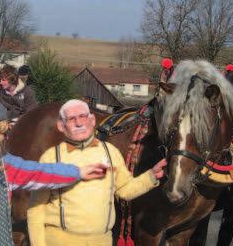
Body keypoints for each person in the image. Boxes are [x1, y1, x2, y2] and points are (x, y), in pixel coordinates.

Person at [0, 99, 106, 245]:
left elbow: (40, 172)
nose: (7, 138)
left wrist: (78, 172)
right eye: (3, 133)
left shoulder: (3, 164)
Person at [27, 99, 167, 246]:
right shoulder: (51, 158)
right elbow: (36, 209)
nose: (79, 123)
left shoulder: (110, 152)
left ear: (92, 120)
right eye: (71, 119)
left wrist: (151, 176)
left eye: (83, 116)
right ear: (61, 126)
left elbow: (124, 189)